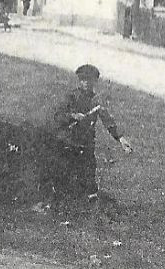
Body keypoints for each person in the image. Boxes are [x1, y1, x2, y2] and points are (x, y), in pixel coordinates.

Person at [53, 63, 132, 202]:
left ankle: (91, 204)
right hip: (69, 142)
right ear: (79, 80)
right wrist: (73, 116)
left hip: (86, 144)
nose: (86, 83)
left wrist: (120, 138)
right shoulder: (72, 96)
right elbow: (58, 116)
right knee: (64, 174)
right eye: (83, 79)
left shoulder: (96, 100)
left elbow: (107, 120)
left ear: (95, 81)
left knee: (89, 174)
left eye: (90, 80)